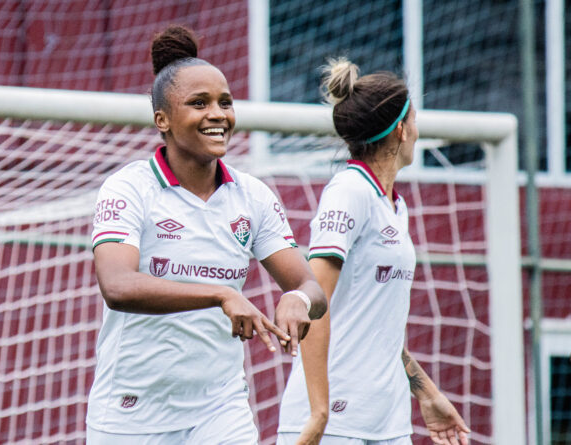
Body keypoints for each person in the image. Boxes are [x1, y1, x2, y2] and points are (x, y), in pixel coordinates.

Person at [86, 25, 327, 445]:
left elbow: (310, 285)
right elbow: (117, 286)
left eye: (225, 103)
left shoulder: (252, 197)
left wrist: (298, 298)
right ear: (162, 119)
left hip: (220, 410)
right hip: (130, 413)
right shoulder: (128, 188)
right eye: (199, 103)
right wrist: (220, 294)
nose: (217, 114)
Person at [276, 58, 471, 445]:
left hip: (389, 422)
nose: (417, 131)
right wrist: (318, 414)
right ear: (401, 129)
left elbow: (375, 327)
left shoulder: (395, 208)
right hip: (333, 424)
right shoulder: (350, 191)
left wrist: (427, 394)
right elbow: (315, 302)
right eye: (414, 120)